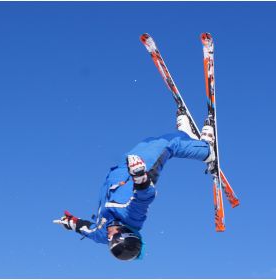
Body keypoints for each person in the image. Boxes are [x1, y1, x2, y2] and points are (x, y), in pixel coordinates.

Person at [53, 111, 216, 261]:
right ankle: (206, 150)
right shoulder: (131, 218)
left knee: (150, 141)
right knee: (167, 144)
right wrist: (139, 177)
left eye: (110, 245)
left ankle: (186, 134)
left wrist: (71, 222)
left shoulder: (103, 233)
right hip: (142, 169)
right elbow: (143, 198)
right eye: (115, 239)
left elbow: (88, 231)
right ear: (127, 233)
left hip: (122, 168)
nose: (110, 239)